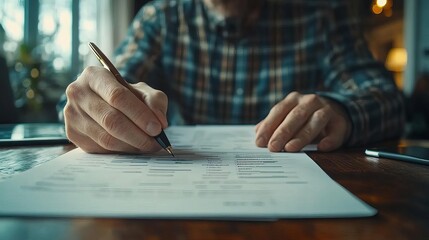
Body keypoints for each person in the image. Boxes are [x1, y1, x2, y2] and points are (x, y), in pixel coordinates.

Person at [63, 0, 405, 154]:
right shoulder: (161, 18)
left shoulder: (322, 14)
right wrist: (98, 106)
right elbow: (96, 94)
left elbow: (388, 100)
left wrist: (340, 111)